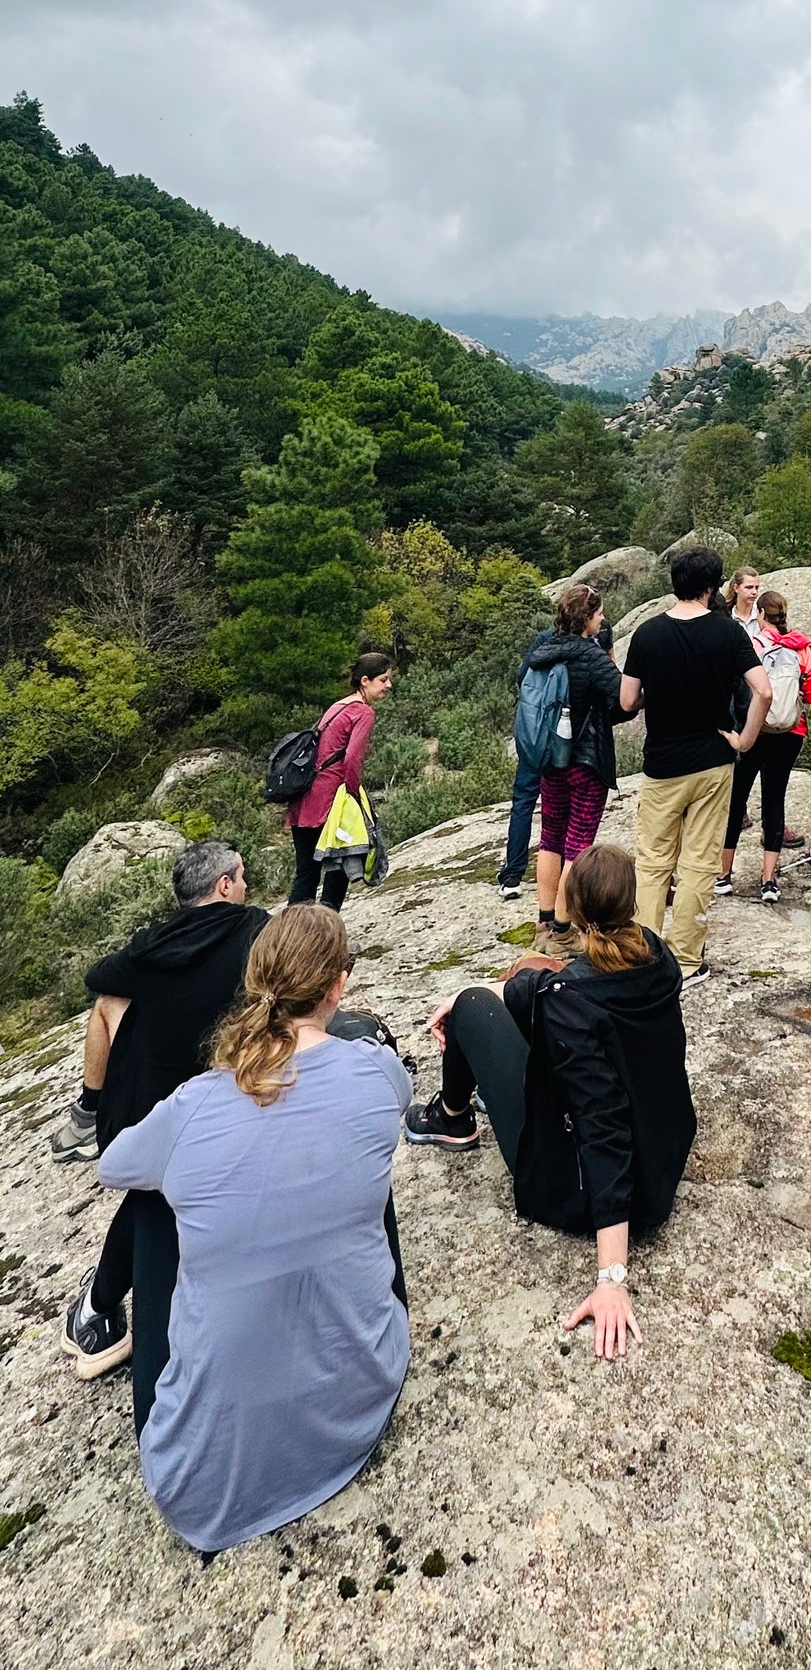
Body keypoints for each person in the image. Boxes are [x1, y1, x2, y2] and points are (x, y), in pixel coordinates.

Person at [95, 905, 412, 1553]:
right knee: (349, 1158)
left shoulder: (196, 1103)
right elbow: (378, 1096)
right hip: (359, 1409)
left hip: (204, 1484)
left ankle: (101, 1318)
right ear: (337, 987)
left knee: (157, 1197)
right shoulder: (380, 1073)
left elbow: (114, 1165)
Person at [405, 843, 695, 1361]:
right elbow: (534, 986)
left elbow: (600, 1126)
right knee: (491, 993)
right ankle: (455, 1099)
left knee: (472, 1005)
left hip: (578, 1189)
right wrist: (501, 984)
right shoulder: (656, 954)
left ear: (576, 913)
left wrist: (612, 1278)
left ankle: (451, 1117)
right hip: (662, 1157)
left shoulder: (569, 998)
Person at [57, 839, 270, 1419]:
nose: (245, 885)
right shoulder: (253, 926)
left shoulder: (154, 943)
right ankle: (101, 1309)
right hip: (234, 1091)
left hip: (157, 1110)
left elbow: (99, 978)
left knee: (107, 1004)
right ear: (225, 886)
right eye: (242, 876)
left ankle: (87, 1112)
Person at [617, 547, 771, 982]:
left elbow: (628, 701)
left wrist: (658, 692)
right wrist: (744, 739)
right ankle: (685, 961)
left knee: (652, 863)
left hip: (662, 764)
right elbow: (763, 692)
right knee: (699, 864)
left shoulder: (647, 634)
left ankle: (644, 956)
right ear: (711, 587)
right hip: (713, 762)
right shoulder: (728, 633)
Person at [505, 583, 630, 946]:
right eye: (599, 613)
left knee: (550, 838)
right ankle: (563, 931)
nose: (603, 618)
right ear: (587, 618)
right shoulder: (589, 656)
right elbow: (624, 698)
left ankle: (543, 923)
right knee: (578, 844)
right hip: (584, 761)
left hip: (548, 759)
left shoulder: (542, 651)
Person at [715, 589, 811, 904]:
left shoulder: (753, 645)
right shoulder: (801, 647)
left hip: (755, 728)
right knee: (774, 799)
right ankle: (769, 881)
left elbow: (738, 687)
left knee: (737, 798)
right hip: (791, 732)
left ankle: (724, 876)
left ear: (761, 614)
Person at [286, 650, 393, 910]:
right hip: (329, 805)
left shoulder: (338, 706)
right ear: (365, 681)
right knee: (340, 868)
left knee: (306, 875)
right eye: (384, 680)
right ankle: (326, 937)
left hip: (303, 803)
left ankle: (288, 941)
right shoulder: (363, 713)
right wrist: (354, 798)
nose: (388, 685)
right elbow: (352, 760)